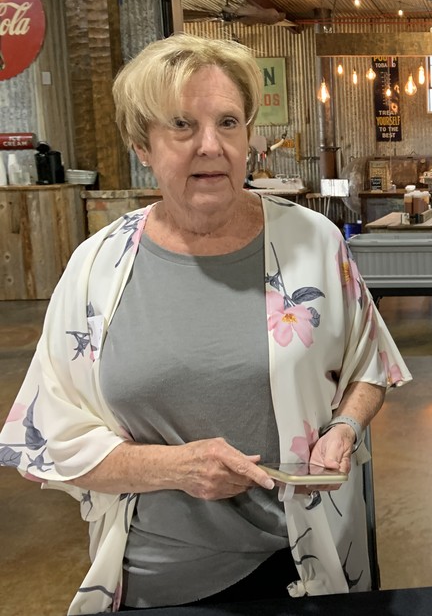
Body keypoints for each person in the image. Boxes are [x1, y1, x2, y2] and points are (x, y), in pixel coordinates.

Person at [0, 33, 411, 614]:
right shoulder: (97, 269)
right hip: (160, 577)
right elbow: (48, 437)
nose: (211, 146)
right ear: (142, 145)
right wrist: (175, 468)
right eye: (182, 125)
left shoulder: (312, 242)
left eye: (228, 122)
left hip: (309, 559)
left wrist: (345, 426)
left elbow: (370, 364)